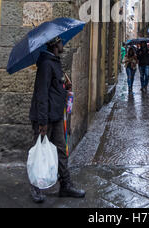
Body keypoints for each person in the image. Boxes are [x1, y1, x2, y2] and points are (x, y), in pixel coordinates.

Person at [29, 36, 86, 204]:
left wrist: (65, 88)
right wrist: (42, 122)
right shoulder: (46, 64)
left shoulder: (54, 62)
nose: (63, 45)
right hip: (45, 118)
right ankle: (35, 187)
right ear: (55, 44)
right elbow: (42, 93)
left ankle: (65, 184)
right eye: (61, 42)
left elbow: (54, 89)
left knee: (61, 150)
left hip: (55, 115)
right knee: (39, 152)